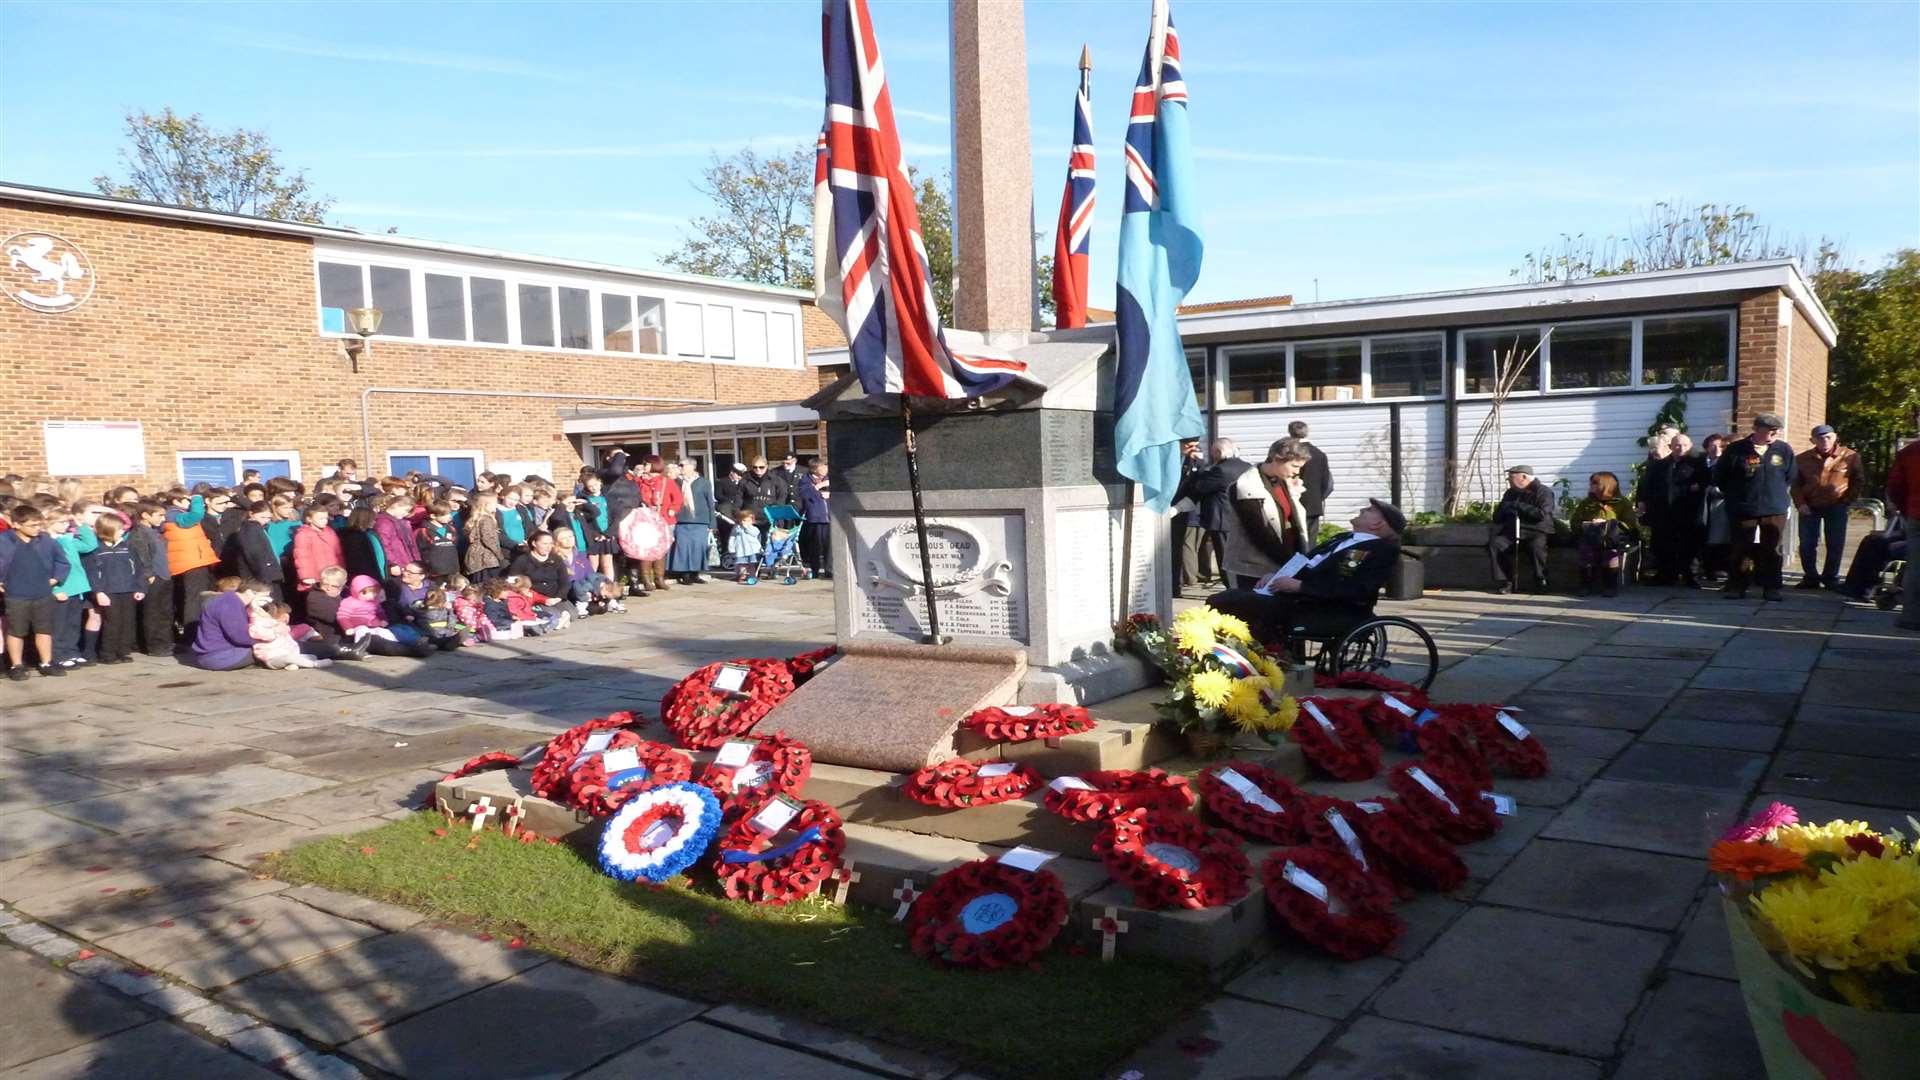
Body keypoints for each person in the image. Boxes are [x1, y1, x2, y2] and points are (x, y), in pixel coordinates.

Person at [1207, 499, 1406, 646]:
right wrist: (1275, 576)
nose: (1363, 509)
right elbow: (1306, 562)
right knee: (1228, 598)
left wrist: (1301, 586)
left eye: (1370, 510)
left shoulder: (1379, 550)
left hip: (1327, 608)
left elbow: (1355, 589)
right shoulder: (1344, 538)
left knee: (1232, 601)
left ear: (1377, 524)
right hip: (1303, 598)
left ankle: (1258, 657)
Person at [1715, 414, 1796, 602]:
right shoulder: (1737, 449)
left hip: (1774, 507)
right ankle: (1736, 586)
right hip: (1743, 507)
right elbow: (1721, 476)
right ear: (1757, 429)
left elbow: (1790, 475)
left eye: (1777, 430)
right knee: (1740, 547)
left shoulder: (1783, 449)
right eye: (1771, 430)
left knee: (1772, 549)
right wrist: (1737, 496)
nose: (1775, 433)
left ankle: (1771, 588)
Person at [1222, 438, 1310, 590]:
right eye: (1294, 466)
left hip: (1285, 561)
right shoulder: (1246, 486)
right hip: (1254, 567)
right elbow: (1258, 533)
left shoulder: (1283, 480)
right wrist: (1290, 562)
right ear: (1277, 459)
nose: (1297, 472)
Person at [1791, 424, 1866, 590]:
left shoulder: (1850, 456)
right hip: (1810, 505)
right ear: (1812, 440)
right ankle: (1810, 577)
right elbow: (1795, 484)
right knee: (1807, 543)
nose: (1824, 441)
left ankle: (1831, 577)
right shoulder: (1802, 459)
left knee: (1835, 543)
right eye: (1820, 438)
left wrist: (1847, 500)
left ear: (1835, 437)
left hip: (1836, 505)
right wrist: (1801, 504)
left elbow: (1858, 480)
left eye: (1828, 437)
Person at [0, 505, 70, 678]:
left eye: (39, 524)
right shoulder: (3, 541)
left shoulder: (46, 541)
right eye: (32, 525)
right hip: (16, 595)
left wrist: (55, 579)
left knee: (44, 630)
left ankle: (46, 662)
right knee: (16, 631)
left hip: (42, 593)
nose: (37, 529)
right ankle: (17, 665)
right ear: (16, 524)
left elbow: (62, 562)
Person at [1171, 438, 1247, 591]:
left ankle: (1232, 589)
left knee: (1225, 557)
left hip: (1222, 520)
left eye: (1213, 453)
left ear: (1218, 452)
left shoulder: (1220, 470)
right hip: (1241, 518)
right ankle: (1240, 587)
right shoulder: (1246, 466)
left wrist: (1202, 466)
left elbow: (1200, 486)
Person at [81, 514, 146, 664]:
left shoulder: (127, 547)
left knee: (127, 622)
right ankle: (108, 654)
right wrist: (98, 592)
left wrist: (140, 588)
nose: (122, 532)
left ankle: (123, 651)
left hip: (128, 590)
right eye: (118, 529)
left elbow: (138, 568)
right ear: (107, 530)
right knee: (113, 623)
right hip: (108, 591)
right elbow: (92, 573)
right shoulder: (96, 549)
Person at [1568, 472, 1639, 597]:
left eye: (1594, 484)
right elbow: (1575, 521)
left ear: (1604, 486)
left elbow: (1629, 524)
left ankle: (1610, 586)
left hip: (1613, 537)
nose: (1590, 486)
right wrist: (1588, 524)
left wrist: (1608, 524)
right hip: (1590, 536)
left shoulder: (1622, 503)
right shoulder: (1587, 503)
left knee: (1610, 552)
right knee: (1585, 551)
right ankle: (1585, 585)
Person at [1488, 465, 1556, 594]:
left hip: (1536, 530)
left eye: (1511, 477)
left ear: (1524, 477)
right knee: (1497, 544)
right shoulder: (1510, 493)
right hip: (1513, 530)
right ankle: (1507, 581)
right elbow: (1497, 517)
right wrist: (1505, 510)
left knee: (1536, 547)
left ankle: (1541, 580)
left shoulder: (1543, 492)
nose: (1508, 480)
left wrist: (1519, 506)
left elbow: (1541, 514)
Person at [164, 489, 221, 629]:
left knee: (196, 596)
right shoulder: (174, 515)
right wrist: (196, 497)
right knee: (195, 598)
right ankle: (191, 631)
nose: (191, 503)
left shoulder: (176, 514)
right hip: (191, 562)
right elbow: (197, 514)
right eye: (187, 500)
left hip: (193, 560)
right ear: (176, 501)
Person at [128, 500, 174, 656]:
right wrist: (149, 575)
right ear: (145, 515)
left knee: (165, 612)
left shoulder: (154, 532)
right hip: (154, 577)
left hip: (164, 575)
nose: (163, 519)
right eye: (159, 515)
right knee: (153, 613)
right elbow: (142, 556)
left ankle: (166, 642)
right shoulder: (139, 534)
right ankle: (155, 646)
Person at [191, 578, 266, 671]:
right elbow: (240, 637)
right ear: (250, 592)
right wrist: (264, 641)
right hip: (218, 657)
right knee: (271, 649)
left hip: (210, 655)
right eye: (264, 597)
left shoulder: (228, 599)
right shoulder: (231, 605)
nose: (266, 602)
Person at [1887, 427, 1920, 629]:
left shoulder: (1909, 452)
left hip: (1917, 514)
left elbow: (1895, 487)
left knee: (1916, 567)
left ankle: (1912, 616)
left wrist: (1906, 509)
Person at [634, 456, 683, 592]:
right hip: (645, 520)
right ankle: (646, 580)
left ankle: (659, 578)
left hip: (663, 519)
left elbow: (678, 498)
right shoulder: (639, 482)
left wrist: (672, 509)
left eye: (647, 464)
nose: (644, 466)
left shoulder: (666, 482)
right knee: (646, 549)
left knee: (660, 550)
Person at [250, 599, 332, 669]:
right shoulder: (258, 626)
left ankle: (294, 664)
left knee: (311, 656)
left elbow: (288, 640)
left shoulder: (282, 626)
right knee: (290, 658)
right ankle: (314, 664)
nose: (286, 617)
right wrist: (277, 629)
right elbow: (267, 636)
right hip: (271, 658)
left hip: (285, 653)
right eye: (283, 614)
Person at [670, 457, 715, 584]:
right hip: (681, 520)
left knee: (698, 548)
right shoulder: (675, 482)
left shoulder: (704, 482)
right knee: (683, 548)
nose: (680, 467)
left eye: (682, 465)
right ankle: (685, 574)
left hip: (700, 520)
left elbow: (710, 503)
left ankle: (696, 573)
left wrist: (712, 523)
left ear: (692, 466)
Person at [1290, 421, 1335, 541]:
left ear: (1290, 432)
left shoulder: (1286, 453)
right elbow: (1327, 484)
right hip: (1313, 504)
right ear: (1307, 432)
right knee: (1310, 542)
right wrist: (1318, 498)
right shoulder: (1319, 454)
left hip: (1290, 504)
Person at [1171, 440, 1204, 596]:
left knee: (1177, 549)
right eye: (1188, 445)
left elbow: (1198, 486)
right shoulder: (1169, 457)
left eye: (1195, 446)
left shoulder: (1195, 462)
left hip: (1180, 510)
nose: (1192, 449)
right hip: (1163, 505)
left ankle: (1174, 587)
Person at [1699, 433, 1731, 580]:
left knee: (1718, 537)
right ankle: (1705, 568)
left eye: (1720, 446)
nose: (1716, 449)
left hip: (1719, 505)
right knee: (1703, 536)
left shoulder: (1725, 463)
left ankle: (1718, 568)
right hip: (1701, 504)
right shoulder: (1701, 462)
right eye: (1713, 445)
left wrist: (1716, 490)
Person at [509, 530, 572, 603]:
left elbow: (564, 581)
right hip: (532, 599)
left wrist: (559, 597)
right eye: (545, 544)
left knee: (571, 613)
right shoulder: (522, 561)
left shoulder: (556, 559)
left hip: (555, 597)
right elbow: (513, 581)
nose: (548, 547)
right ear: (534, 543)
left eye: (551, 544)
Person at [795, 458, 831, 579]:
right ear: (815, 469)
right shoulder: (805, 480)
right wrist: (819, 487)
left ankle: (829, 569)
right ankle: (815, 569)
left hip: (830, 517)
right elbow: (806, 495)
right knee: (815, 544)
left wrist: (830, 495)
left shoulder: (830, 479)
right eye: (823, 467)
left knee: (829, 545)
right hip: (815, 517)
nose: (826, 469)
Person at [462, 490, 507, 583]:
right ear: (485, 505)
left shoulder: (477, 518)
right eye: (495, 503)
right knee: (487, 585)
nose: (497, 505)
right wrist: (500, 556)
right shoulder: (486, 519)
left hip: (476, 557)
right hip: (485, 559)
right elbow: (488, 540)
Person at [713, 461, 747, 570]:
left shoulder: (743, 483)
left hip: (738, 512)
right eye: (737, 474)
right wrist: (731, 501)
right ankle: (725, 554)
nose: (739, 477)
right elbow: (718, 495)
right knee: (725, 535)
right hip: (725, 513)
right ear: (732, 472)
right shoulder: (722, 481)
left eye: (741, 475)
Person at [728, 509, 763, 582]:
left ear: (752, 521)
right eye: (744, 520)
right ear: (740, 520)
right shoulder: (736, 529)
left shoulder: (754, 528)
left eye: (748, 521)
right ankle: (742, 575)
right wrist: (731, 548)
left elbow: (755, 533)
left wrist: (747, 527)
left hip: (752, 550)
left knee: (751, 564)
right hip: (741, 549)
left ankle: (752, 575)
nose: (746, 523)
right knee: (741, 564)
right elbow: (732, 538)